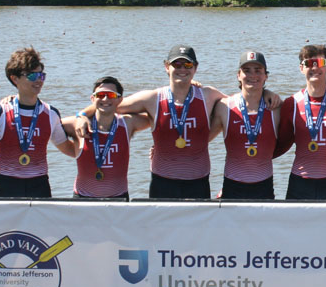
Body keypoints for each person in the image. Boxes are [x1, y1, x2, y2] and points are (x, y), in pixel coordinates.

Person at [73, 45, 226, 199]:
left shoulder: (208, 95)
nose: (182, 69)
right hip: (162, 181)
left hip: (198, 180)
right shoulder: (152, 98)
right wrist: (82, 115)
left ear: (195, 68)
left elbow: (234, 110)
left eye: (187, 65)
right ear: (167, 66)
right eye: (177, 64)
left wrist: (204, 140)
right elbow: (110, 104)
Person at [0, 47, 77, 197]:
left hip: (39, 186)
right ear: (15, 79)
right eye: (32, 76)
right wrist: (4, 173)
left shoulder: (51, 114)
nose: (39, 80)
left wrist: (84, 125)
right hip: (6, 186)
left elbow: (70, 150)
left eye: (41, 75)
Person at [274, 43, 326, 200]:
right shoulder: (292, 103)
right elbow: (282, 144)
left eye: (320, 63)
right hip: (300, 183)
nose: (314, 67)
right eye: (309, 63)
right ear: (301, 68)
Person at [211, 51, 280, 200]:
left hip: (264, 187)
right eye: (247, 70)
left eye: (258, 71)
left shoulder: (276, 108)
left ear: (266, 76)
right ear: (238, 75)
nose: (252, 75)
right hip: (232, 187)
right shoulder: (224, 107)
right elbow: (202, 140)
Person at [73, 76, 151, 200]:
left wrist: (159, 147)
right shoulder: (78, 124)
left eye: (111, 95)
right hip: (83, 196)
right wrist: (81, 116)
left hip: (118, 197)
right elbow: (54, 130)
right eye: (100, 95)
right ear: (92, 98)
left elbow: (155, 115)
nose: (105, 98)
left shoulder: (128, 123)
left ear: (120, 100)